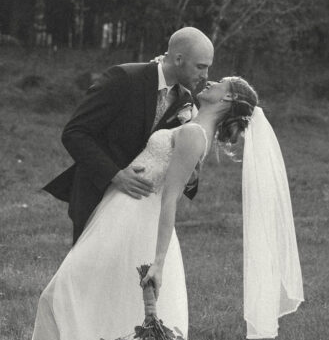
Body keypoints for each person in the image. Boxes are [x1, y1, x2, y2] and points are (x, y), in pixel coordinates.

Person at [0, 76, 304, 340]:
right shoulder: (192, 123)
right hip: (118, 216)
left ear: (229, 97)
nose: (210, 80)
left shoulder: (193, 135)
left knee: (55, 297)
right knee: (82, 303)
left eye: (219, 82)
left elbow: (170, 202)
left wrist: (158, 261)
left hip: (131, 226)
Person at [43, 27, 215, 243]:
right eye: (201, 67)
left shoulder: (185, 102)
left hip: (142, 208)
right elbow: (75, 133)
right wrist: (116, 175)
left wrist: (190, 170)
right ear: (179, 59)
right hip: (97, 194)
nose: (205, 76)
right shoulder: (124, 78)